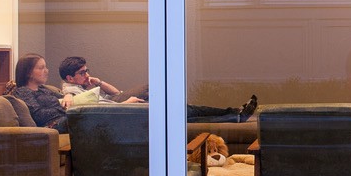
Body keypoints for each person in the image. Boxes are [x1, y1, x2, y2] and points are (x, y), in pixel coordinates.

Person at [58, 55, 257, 122]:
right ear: (70, 78)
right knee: (180, 110)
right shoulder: (72, 92)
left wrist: (98, 82)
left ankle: (234, 114)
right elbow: (83, 106)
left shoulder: (84, 86)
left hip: (120, 106)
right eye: (82, 72)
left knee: (182, 111)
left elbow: (116, 93)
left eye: (87, 71)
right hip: (121, 113)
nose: (86, 75)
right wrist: (127, 104)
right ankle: (234, 114)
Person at [8, 54, 69, 132]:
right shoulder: (22, 91)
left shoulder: (43, 89)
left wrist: (68, 95)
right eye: (41, 68)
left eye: (45, 67)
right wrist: (62, 108)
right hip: (50, 127)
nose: (46, 71)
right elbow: (38, 115)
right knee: (80, 118)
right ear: (28, 73)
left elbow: (62, 97)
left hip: (63, 119)